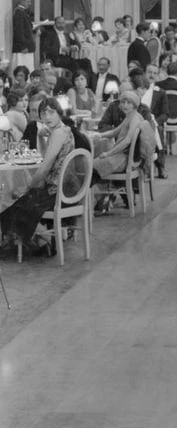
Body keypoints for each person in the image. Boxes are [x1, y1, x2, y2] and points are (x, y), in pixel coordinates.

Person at [0, 97, 74, 254]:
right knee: (16, 196)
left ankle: (42, 241)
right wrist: (40, 136)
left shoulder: (58, 134)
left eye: (51, 112)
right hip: (66, 188)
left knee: (11, 200)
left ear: (59, 113)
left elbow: (44, 168)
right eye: (43, 113)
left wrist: (28, 186)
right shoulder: (66, 130)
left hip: (54, 192)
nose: (47, 117)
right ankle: (37, 240)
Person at [12, 0, 37, 72]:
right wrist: (23, 46)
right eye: (28, 1)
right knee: (23, 70)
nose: (30, 3)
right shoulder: (19, 13)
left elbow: (26, 28)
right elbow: (18, 31)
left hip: (26, 47)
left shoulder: (22, 12)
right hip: (23, 49)